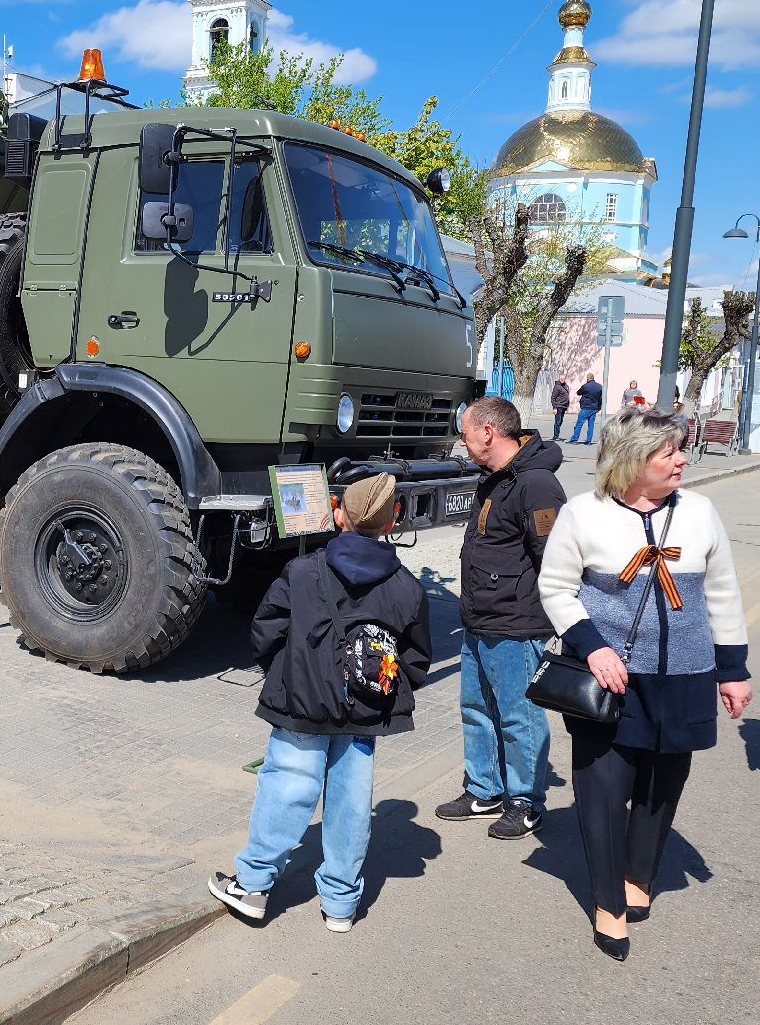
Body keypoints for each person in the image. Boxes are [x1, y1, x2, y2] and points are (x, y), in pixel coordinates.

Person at [539, 409, 752, 961]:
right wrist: (594, 645)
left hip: (685, 674)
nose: (682, 459)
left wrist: (732, 670)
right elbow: (557, 589)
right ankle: (608, 903)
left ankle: (640, 873)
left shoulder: (700, 511)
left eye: (681, 449)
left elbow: (724, 594)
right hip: (607, 680)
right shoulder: (583, 515)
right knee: (604, 790)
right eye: (669, 452)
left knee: (663, 784)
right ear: (633, 461)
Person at [211, 475, 431, 933]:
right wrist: (380, 693)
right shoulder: (406, 586)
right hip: (364, 713)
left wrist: (288, 675)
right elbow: (415, 658)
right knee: (351, 804)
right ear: (393, 521)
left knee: (286, 790)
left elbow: (265, 631)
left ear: (337, 515)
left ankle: (253, 886)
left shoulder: (303, 571)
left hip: (301, 704)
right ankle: (340, 904)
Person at [436, 398, 566, 839]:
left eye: (466, 433)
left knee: (518, 716)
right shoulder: (493, 478)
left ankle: (526, 800)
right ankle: (483, 790)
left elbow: (554, 558)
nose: (462, 442)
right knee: (476, 709)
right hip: (479, 617)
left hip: (515, 623)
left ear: (488, 433)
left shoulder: (536, 484)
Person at [570, 373, 605, 445]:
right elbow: (601, 398)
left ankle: (574, 439)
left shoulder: (585, 386)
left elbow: (578, 393)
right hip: (594, 408)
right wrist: (599, 407)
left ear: (588, 378)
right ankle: (588, 441)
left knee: (579, 424)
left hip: (586, 408)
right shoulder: (599, 386)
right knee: (591, 425)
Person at [552, 377, 573, 442]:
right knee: (557, 421)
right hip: (558, 406)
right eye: (561, 378)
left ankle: (556, 434)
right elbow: (553, 397)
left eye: (563, 378)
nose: (562, 379)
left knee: (560, 421)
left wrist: (567, 405)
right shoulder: (557, 387)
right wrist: (554, 408)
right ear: (559, 378)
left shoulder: (565, 386)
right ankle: (556, 436)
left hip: (563, 406)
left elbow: (567, 395)